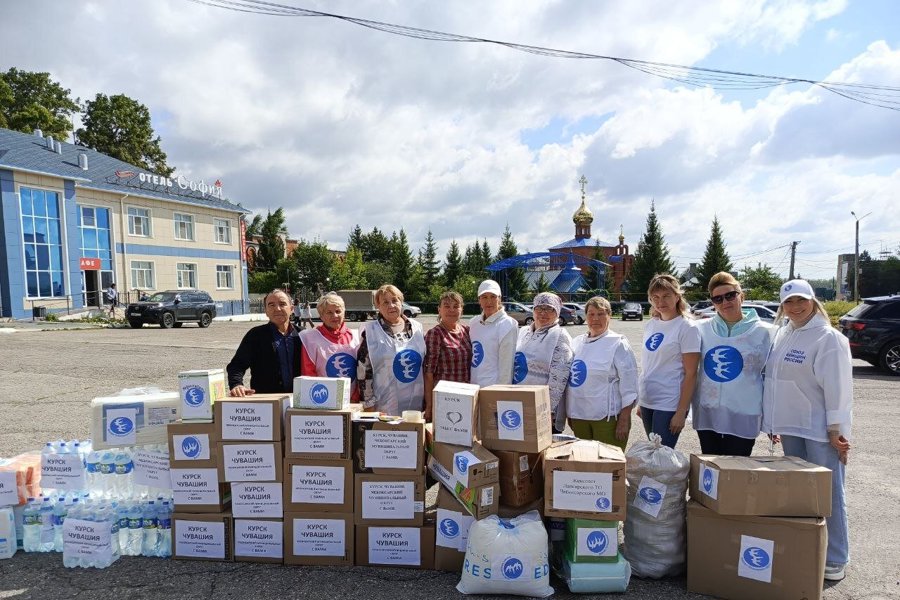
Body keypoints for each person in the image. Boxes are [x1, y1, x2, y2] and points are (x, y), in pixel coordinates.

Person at [762, 279, 852, 582]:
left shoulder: (828, 338)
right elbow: (774, 382)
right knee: (800, 494)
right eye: (789, 303)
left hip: (818, 430)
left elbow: (838, 389)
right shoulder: (785, 333)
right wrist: (772, 423)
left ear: (814, 301)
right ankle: (809, 547)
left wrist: (836, 429)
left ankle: (836, 556)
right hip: (790, 427)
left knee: (828, 494)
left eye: (802, 301)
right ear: (782, 306)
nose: (796, 307)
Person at [692, 272, 773, 456]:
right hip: (708, 413)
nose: (725, 302)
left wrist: (772, 421)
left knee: (735, 474)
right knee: (710, 472)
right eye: (718, 299)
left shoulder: (766, 333)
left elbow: (771, 379)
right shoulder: (700, 329)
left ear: (741, 295)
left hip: (743, 414)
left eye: (730, 295)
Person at [637, 274, 701, 449]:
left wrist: (681, 411)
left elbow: (691, 373)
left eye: (666, 296)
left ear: (677, 296)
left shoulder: (686, 327)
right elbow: (649, 365)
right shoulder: (651, 325)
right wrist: (642, 400)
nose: (660, 301)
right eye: (655, 297)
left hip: (669, 401)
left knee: (662, 455)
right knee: (652, 453)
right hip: (648, 399)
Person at [565, 296, 638, 450]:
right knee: (584, 463)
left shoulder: (618, 343)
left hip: (608, 418)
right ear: (586, 316)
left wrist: (624, 418)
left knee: (608, 467)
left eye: (601, 314)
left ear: (609, 316)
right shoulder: (576, 342)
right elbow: (571, 380)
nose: (595, 318)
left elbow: (629, 384)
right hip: (579, 416)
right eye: (591, 314)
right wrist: (569, 412)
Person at [357, 284, 427, 414]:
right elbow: (363, 371)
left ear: (401, 301)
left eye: (395, 300)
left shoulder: (417, 328)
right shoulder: (371, 331)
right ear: (378, 306)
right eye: (385, 302)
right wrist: (368, 404)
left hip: (414, 405)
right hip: (384, 405)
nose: (391, 305)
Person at [513, 292, 573, 433]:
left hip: (542, 409)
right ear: (533, 310)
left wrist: (548, 409)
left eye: (549, 309)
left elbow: (559, 377)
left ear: (557, 313)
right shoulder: (524, 332)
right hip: (519, 403)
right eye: (539, 308)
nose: (543, 313)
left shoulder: (559, 335)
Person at [226, 288, 301, 396]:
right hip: (267, 403)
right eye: (271, 305)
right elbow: (236, 365)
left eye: (282, 304)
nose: (277, 309)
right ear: (266, 311)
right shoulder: (256, 335)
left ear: (292, 308)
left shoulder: (303, 335)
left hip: (300, 400)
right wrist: (237, 384)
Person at [299, 292, 361, 402]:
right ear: (321, 315)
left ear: (344, 312)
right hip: (323, 400)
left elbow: (362, 370)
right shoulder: (310, 338)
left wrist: (355, 397)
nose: (335, 316)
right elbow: (309, 374)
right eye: (329, 312)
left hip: (353, 400)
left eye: (338, 311)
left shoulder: (356, 336)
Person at [423, 290, 473, 421]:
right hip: (444, 398)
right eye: (446, 306)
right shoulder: (435, 334)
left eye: (456, 306)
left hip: (466, 395)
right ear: (439, 310)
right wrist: (429, 405)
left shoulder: (467, 331)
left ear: (461, 310)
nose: (451, 310)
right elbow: (428, 373)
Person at [468, 279, 518, 387]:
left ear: (499, 299)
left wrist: (501, 393)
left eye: (493, 297)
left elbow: (507, 366)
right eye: (484, 297)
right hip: (473, 386)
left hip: (493, 389)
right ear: (479, 300)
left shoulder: (508, 325)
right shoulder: (474, 323)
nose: (489, 301)